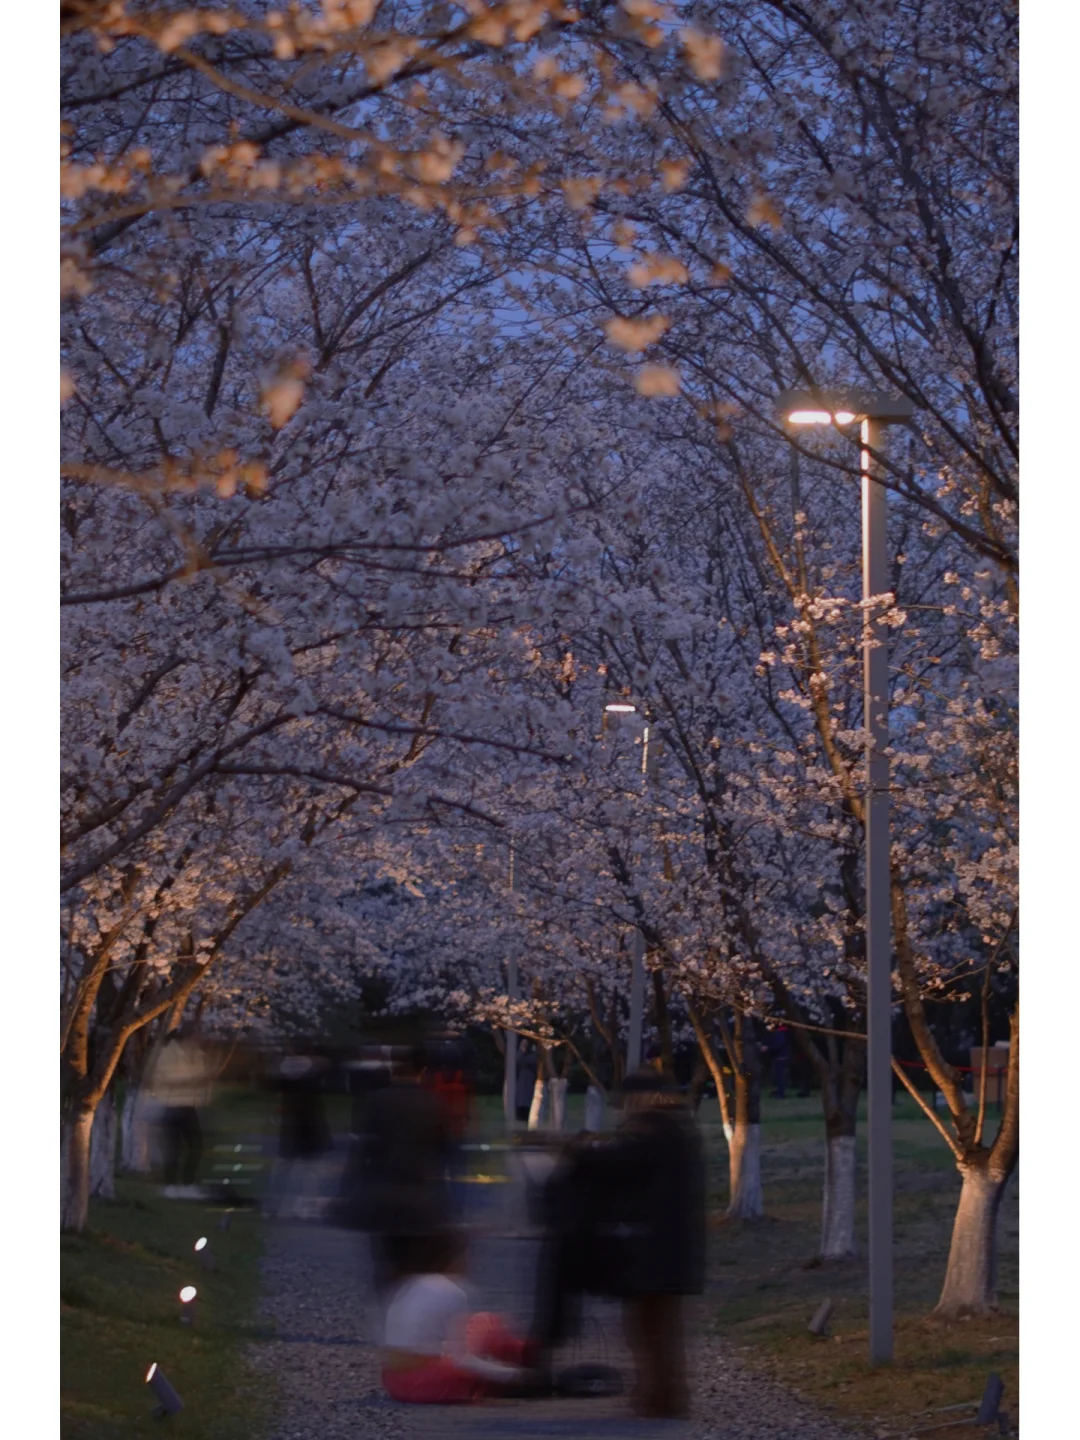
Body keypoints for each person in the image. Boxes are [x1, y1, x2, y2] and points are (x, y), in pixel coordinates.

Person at [529, 1068, 705, 1419]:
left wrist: (575, 1149)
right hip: (670, 1249)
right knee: (659, 1326)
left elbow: (614, 1162)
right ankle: (663, 1395)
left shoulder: (654, 1131)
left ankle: (661, 1398)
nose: (625, 1108)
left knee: (648, 1326)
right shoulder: (674, 1130)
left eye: (628, 1100)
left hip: (652, 1250)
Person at [381, 1230, 535, 1404]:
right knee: (486, 1322)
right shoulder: (452, 1291)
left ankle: (521, 1359)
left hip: (392, 1382)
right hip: (430, 1383)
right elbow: (462, 1360)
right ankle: (530, 1356)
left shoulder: (406, 1284)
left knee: (472, 1329)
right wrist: (512, 1375)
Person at [362, 1044, 453, 1297]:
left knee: (387, 1259)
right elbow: (445, 1150)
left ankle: (389, 1311)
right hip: (421, 1192)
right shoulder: (432, 1103)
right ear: (422, 1070)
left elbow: (365, 1149)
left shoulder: (377, 1101)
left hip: (384, 1190)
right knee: (417, 1262)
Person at [146, 1024, 213, 1197]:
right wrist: (191, 1081)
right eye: (195, 1037)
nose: (198, 1041)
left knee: (197, 1146)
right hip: (171, 1105)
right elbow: (163, 1078)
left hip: (189, 1106)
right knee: (173, 1148)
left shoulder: (198, 1055)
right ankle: (170, 1185)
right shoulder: (168, 1053)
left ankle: (187, 1184)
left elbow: (202, 1079)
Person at [515, 1043, 537, 1124]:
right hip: (521, 1093)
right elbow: (518, 1060)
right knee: (521, 1116)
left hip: (531, 1089)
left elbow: (532, 1060)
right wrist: (522, 1048)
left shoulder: (534, 1053)